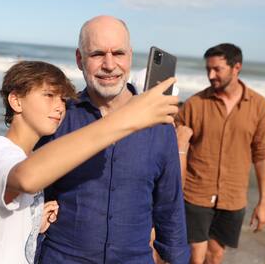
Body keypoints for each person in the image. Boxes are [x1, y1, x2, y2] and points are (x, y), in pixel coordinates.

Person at [0, 60, 180, 264]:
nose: (59, 107)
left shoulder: (21, 157)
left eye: (62, 99)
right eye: (49, 95)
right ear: (16, 100)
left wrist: (30, 222)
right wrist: (127, 118)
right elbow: (27, 178)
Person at [36, 15, 190, 264]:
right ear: (79, 59)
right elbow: (28, 189)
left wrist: (176, 258)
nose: (109, 65)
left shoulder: (159, 123)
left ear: (129, 56)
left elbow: (169, 206)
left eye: (118, 53)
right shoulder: (58, 117)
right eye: (97, 54)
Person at [177, 43, 265, 264]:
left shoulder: (260, 107)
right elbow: (175, 148)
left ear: (236, 67)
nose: (211, 75)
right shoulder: (194, 104)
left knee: (215, 255)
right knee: (194, 254)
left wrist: (264, 203)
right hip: (195, 193)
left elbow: (262, 155)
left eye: (217, 69)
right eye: (207, 70)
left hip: (233, 197)